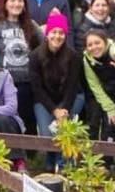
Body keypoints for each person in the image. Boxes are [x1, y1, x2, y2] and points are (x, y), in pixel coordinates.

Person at [0, 0, 42, 133]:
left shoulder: (31, 25)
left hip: (26, 82)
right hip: (2, 81)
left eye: (20, 1)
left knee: (27, 116)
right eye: (12, 0)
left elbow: (44, 46)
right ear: (5, 3)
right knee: (5, 117)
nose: (16, 4)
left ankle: (30, 151)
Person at [29, 12, 81, 167]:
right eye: (54, 32)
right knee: (47, 134)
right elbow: (37, 88)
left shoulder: (73, 56)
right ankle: (50, 160)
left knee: (64, 130)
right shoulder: (35, 56)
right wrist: (54, 110)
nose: (57, 36)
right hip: (45, 100)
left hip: (70, 98)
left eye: (61, 32)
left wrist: (63, 109)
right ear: (47, 34)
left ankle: (63, 163)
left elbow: (72, 86)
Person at [82, 28, 115, 172]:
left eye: (97, 43)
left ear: (105, 42)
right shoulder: (87, 59)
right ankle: (104, 165)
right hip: (108, 97)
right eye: (90, 45)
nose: (94, 47)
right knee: (109, 130)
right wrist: (110, 108)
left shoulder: (114, 50)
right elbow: (95, 86)